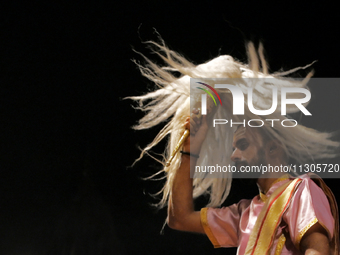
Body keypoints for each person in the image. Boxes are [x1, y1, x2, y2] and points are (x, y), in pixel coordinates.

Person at [129, 39, 339, 254]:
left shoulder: (300, 191)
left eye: (243, 144)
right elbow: (179, 219)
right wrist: (191, 147)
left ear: (273, 148)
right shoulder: (245, 214)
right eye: (234, 148)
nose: (233, 156)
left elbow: (317, 249)